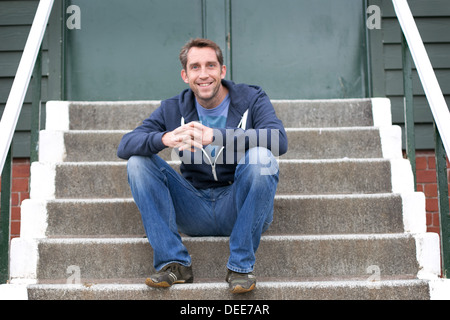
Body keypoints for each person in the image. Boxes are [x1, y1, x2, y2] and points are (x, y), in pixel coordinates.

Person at [117, 38, 288, 294]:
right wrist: (165, 139)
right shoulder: (173, 108)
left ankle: (241, 267)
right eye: (195, 67)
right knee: (138, 163)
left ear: (223, 71)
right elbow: (125, 145)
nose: (204, 74)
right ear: (185, 75)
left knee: (262, 159)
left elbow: (278, 139)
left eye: (210, 65)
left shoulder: (251, 98)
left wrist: (216, 135)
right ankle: (174, 264)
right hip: (193, 207)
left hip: (239, 205)